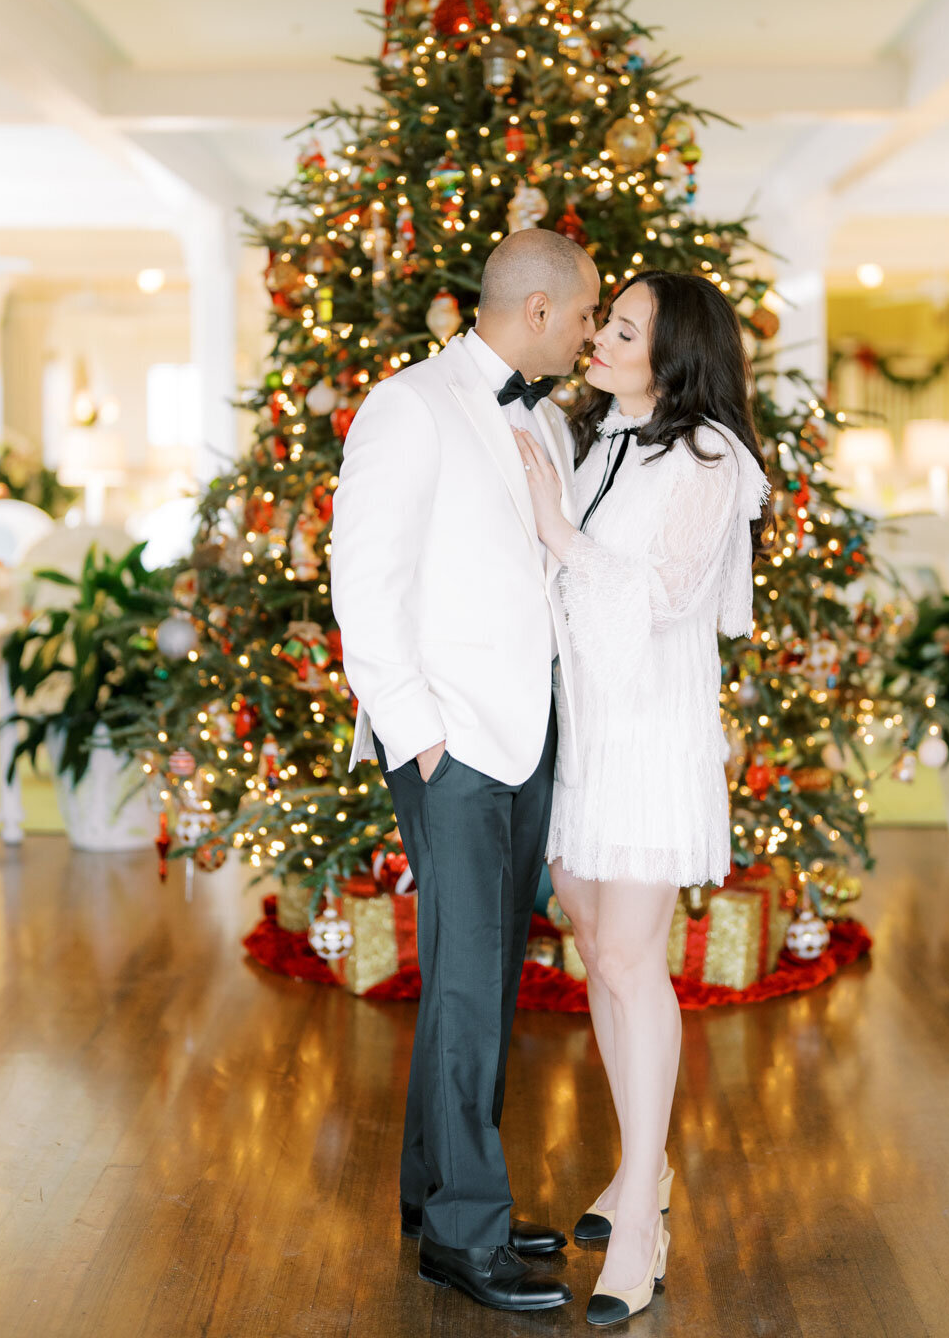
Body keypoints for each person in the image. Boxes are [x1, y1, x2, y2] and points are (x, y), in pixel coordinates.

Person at [331, 227, 600, 1314]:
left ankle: (438, 1190)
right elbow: (362, 574)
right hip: (450, 741)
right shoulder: (410, 405)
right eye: (583, 314)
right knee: (465, 978)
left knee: (479, 970)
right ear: (536, 310)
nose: (588, 334)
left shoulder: (542, 419)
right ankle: (463, 1234)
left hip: (525, 734)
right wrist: (419, 734)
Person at [513, 268, 771, 1329]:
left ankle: (640, 1226)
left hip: (650, 739)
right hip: (583, 734)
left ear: (674, 356)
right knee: (598, 963)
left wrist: (552, 528)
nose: (599, 339)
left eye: (622, 330)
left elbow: (665, 599)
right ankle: (637, 1172)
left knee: (629, 962)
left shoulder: (711, 460)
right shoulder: (599, 438)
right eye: (605, 323)